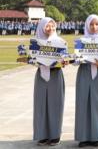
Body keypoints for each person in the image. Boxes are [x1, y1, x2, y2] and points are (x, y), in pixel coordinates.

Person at [74, 14, 98, 147]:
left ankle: (97, 136)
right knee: (83, 103)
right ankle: (83, 137)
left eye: (96, 24)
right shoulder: (81, 40)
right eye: (91, 24)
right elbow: (76, 59)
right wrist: (76, 59)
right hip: (84, 72)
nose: (94, 27)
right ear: (87, 25)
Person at [33, 17, 67, 146]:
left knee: (55, 105)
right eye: (47, 26)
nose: (50, 28)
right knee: (41, 105)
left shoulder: (60, 42)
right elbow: (32, 58)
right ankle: (42, 135)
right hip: (41, 74)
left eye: (52, 26)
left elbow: (65, 58)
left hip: (55, 75)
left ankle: (55, 135)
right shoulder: (36, 42)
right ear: (42, 27)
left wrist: (64, 61)